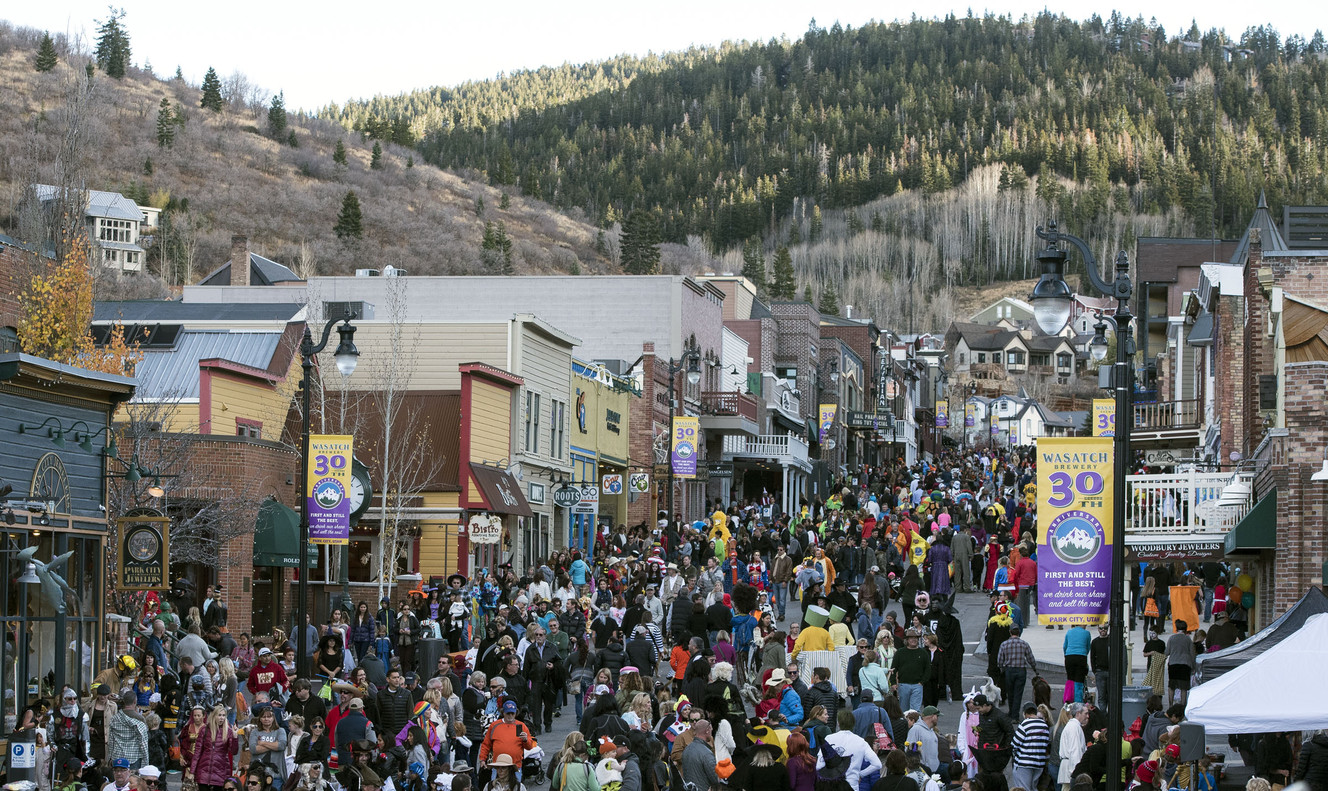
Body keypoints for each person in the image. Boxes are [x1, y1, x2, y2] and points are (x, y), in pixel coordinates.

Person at [818, 709, 883, 791]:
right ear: (853, 724)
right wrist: (860, 774)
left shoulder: (829, 739)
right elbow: (877, 764)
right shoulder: (860, 741)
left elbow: (819, 765)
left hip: (832, 785)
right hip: (852, 785)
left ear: (838, 723)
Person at [191, 705, 239, 791]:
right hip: (203, 772)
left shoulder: (228, 731)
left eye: (223, 715)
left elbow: (234, 751)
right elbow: (197, 753)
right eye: (219, 715)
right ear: (214, 716)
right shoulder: (204, 730)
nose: (222, 718)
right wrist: (192, 772)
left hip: (220, 772)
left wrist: (235, 737)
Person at [996, 626, 1037, 719]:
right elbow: (1030, 658)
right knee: (1018, 693)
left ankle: (1011, 712)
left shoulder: (1004, 644)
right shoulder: (1024, 644)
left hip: (1009, 670)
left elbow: (1000, 660)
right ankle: (1015, 715)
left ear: (1010, 632)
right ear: (1019, 633)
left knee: (1010, 693)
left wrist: (1001, 668)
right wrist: (1034, 668)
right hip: (1021, 670)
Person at [1011, 702, 1050, 791]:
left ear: (1025, 713)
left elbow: (1014, 743)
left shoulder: (1025, 724)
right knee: (1033, 788)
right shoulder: (1044, 725)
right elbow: (1046, 743)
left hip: (1024, 763)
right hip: (1039, 763)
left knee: (1022, 788)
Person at [891, 629, 931, 712]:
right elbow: (893, 669)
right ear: (907, 640)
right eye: (911, 638)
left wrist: (922, 682)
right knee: (904, 710)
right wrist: (893, 683)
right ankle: (905, 725)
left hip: (917, 685)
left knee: (915, 711)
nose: (914, 640)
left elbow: (928, 669)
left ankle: (915, 725)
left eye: (916, 638)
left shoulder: (923, 653)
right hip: (903, 685)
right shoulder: (900, 653)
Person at [250, 705, 290, 790]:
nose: (266, 719)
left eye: (269, 716)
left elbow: (282, 745)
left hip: (276, 774)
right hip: (257, 776)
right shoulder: (255, 732)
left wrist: (262, 743)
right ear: (260, 718)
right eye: (264, 717)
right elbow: (253, 749)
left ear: (273, 718)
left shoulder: (280, 731)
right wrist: (274, 744)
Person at [108, 692, 149, 770]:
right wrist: (145, 763)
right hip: (133, 758)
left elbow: (111, 740)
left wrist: (110, 757)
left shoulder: (114, 719)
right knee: (132, 781)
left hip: (117, 756)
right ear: (135, 702)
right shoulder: (140, 720)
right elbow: (143, 743)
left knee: (118, 780)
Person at [1058, 704, 1089, 791]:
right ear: (1078, 713)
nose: (1087, 716)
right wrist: (1076, 774)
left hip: (1070, 768)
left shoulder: (1074, 726)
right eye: (1085, 713)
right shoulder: (1074, 727)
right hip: (1071, 770)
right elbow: (1075, 751)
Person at [680, 720, 719, 791]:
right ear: (707, 730)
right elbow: (715, 778)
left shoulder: (686, 750)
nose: (711, 732)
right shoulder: (706, 753)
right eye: (711, 730)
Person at [1165, 620, 1196, 705]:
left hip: (1173, 664)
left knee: (1171, 686)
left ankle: (1170, 705)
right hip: (1185, 665)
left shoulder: (1172, 638)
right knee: (1184, 687)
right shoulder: (1188, 639)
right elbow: (1192, 654)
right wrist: (1193, 666)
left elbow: (1167, 652)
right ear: (1185, 629)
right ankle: (1183, 706)